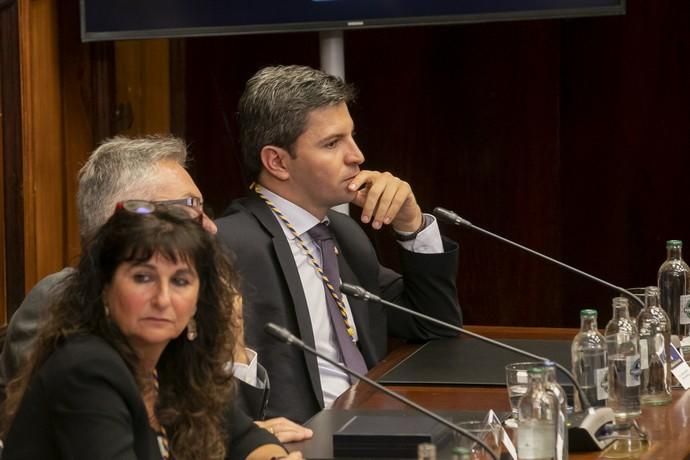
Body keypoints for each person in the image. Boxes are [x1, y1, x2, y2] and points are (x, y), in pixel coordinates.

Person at [0, 136, 311, 442]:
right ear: (129, 218)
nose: (212, 227)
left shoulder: (170, 320)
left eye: (179, 281)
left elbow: (235, 429)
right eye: (192, 208)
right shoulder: (60, 305)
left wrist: (235, 351)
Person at [215, 65, 463, 423]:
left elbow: (433, 325)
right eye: (332, 143)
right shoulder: (230, 245)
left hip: (374, 427)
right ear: (277, 161)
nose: (357, 155)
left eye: (351, 137)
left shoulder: (344, 233)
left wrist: (412, 225)